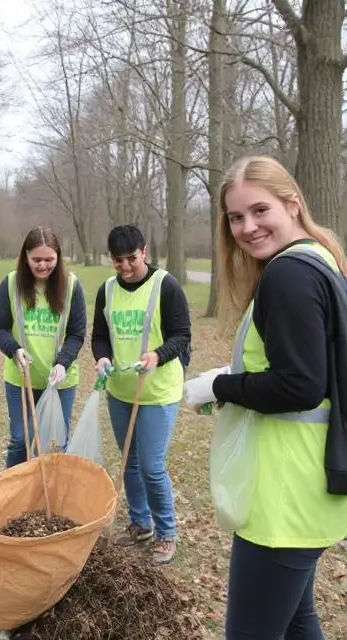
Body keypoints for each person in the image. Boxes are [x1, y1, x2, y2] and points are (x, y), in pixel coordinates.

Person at [204, 155, 347, 637]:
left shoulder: (289, 274)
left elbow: (300, 385)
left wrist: (222, 386)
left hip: (284, 495)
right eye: (235, 217)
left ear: (292, 203)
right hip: (307, 489)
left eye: (260, 210)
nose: (247, 227)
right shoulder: (320, 258)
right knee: (297, 620)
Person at [91, 224, 191, 564]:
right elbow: (99, 336)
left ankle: (166, 533)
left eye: (131, 258)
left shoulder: (166, 286)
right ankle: (140, 523)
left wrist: (158, 355)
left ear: (144, 251)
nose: (125, 266)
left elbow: (182, 335)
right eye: (118, 261)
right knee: (129, 461)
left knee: (151, 465)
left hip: (158, 392)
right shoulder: (106, 290)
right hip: (120, 389)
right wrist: (102, 357)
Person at [0, 227, 86, 468]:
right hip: (21, 379)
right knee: (21, 440)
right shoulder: (11, 283)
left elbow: (77, 333)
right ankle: (15, 492)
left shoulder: (72, 286)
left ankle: (49, 499)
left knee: (55, 443)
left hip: (59, 381)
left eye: (49, 260)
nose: (43, 265)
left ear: (58, 257)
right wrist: (14, 349)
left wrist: (63, 362)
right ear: (26, 257)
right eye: (37, 260)